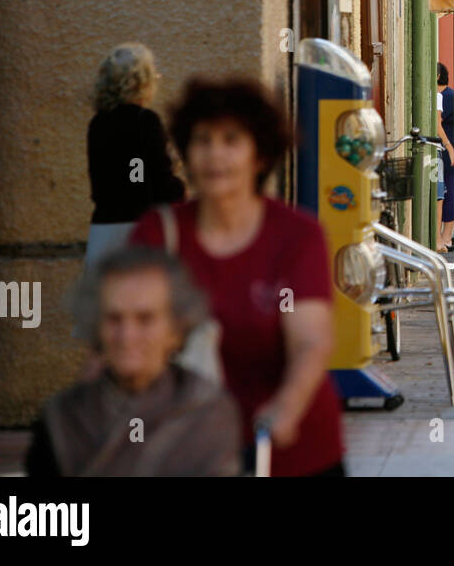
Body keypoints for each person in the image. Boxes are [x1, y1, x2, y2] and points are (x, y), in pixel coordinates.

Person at [129, 79, 345, 476]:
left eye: (231, 140)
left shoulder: (296, 236)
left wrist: (286, 407)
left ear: (259, 155)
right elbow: (122, 334)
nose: (215, 155)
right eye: (202, 140)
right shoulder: (158, 234)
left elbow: (311, 340)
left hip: (291, 450)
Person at [27, 247, 240, 476]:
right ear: (96, 326)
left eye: (145, 319)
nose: (127, 336)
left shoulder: (208, 414)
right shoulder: (63, 419)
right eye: (114, 319)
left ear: (176, 329)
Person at [86, 44, 185, 266]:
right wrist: (178, 182)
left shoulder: (98, 123)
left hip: (104, 229)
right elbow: (159, 185)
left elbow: (102, 186)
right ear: (143, 82)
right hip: (141, 231)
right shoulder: (145, 121)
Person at [436, 62, 454, 254]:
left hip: (449, 148)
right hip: (442, 148)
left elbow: (438, 122)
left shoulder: (448, 96)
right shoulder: (439, 95)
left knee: (449, 193)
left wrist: (449, 147)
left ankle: (447, 235)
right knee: (442, 192)